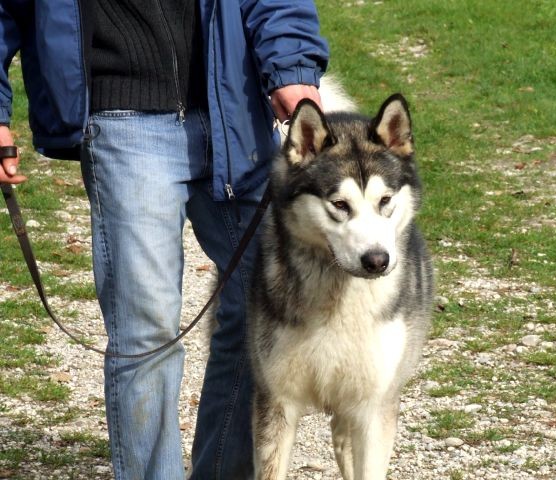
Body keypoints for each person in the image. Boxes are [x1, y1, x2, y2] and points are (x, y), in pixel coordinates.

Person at [0, 0, 329, 478]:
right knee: (146, 331)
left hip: (233, 108)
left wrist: (292, 67)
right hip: (121, 116)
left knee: (262, 311)